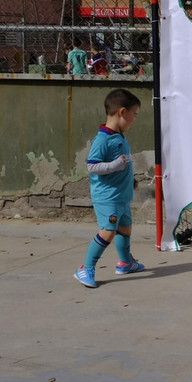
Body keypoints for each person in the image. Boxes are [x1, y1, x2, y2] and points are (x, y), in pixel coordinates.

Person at [74, 89, 144, 288]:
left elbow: (124, 164)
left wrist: (130, 180)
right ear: (123, 112)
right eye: (135, 114)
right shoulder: (102, 139)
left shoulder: (120, 136)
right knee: (108, 231)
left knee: (125, 228)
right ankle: (85, 268)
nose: (135, 119)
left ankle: (125, 262)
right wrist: (114, 166)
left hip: (122, 195)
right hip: (107, 197)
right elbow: (92, 166)